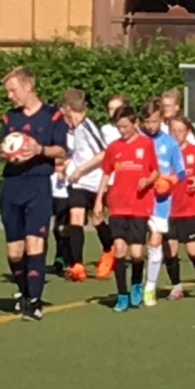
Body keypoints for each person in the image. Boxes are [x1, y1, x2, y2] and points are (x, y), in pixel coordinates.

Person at [0, 67, 68, 321]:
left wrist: (39, 149)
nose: (9, 96)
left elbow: (61, 150)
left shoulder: (53, 116)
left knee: (35, 243)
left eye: (13, 90)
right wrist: (9, 152)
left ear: (28, 87)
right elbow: (5, 148)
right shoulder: (9, 118)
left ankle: (35, 302)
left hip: (38, 185)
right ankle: (24, 291)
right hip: (12, 185)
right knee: (15, 252)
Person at [96, 105, 159, 312]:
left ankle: (136, 283)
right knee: (119, 249)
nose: (121, 130)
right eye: (119, 127)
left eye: (125, 126)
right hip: (118, 205)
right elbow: (106, 173)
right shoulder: (114, 147)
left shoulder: (146, 144)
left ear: (135, 123)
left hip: (139, 206)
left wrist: (147, 181)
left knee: (137, 253)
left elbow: (155, 172)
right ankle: (122, 295)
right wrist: (99, 199)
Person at [73, 94, 129, 279]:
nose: (113, 112)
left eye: (117, 108)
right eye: (110, 109)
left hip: (122, 181)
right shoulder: (104, 130)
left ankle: (116, 253)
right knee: (95, 216)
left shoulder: (132, 131)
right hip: (105, 179)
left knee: (113, 221)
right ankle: (105, 252)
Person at [141, 98, 186, 307]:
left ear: (162, 120)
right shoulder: (138, 140)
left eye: (154, 121)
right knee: (135, 248)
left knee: (155, 241)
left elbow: (182, 172)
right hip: (139, 199)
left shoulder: (170, 143)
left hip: (161, 201)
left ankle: (149, 288)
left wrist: (170, 181)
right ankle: (135, 284)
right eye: (147, 121)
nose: (151, 126)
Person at [60, 88, 108, 282]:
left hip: (94, 182)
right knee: (76, 218)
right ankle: (77, 265)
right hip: (78, 184)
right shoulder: (75, 129)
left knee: (97, 219)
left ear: (68, 108)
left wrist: (80, 170)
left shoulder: (88, 127)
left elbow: (104, 153)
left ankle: (109, 250)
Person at [167, 115, 195, 300]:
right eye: (173, 130)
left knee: (193, 250)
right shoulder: (163, 153)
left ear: (188, 132)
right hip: (168, 209)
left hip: (189, 208)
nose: (177, 134)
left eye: (181, 130)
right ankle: (176, 287)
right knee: (170, 249)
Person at [51, 159, 71, 274]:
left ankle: (65, 258)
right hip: (51, 194)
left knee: (62, 229)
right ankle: (61, 255)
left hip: (65, 195)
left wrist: (63, 169)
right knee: (56, 230)